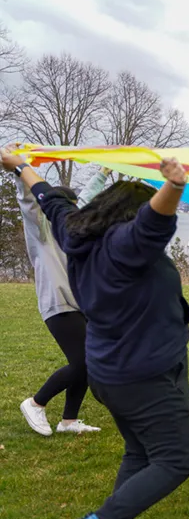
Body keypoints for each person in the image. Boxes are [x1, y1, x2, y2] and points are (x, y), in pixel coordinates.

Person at [2, 147, 189, 519]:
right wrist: (173, 186)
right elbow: (152, 224)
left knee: (140, 452)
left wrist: (20, 167)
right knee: (175, 460)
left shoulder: (75, 232)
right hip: (145, 375)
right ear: (128, 217)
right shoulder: (124, 247)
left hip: (112, 373)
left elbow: (49, 198)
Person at [16, 166, 111, 437]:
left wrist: (103, 172)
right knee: (83, 362)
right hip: (57, 304)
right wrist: (21, 170)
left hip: (79, 306)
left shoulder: (73, 232)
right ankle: (35, 403)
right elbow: (28, 203)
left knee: (86, 363)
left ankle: (68, 421)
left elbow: (88, 199)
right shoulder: (42, 231)